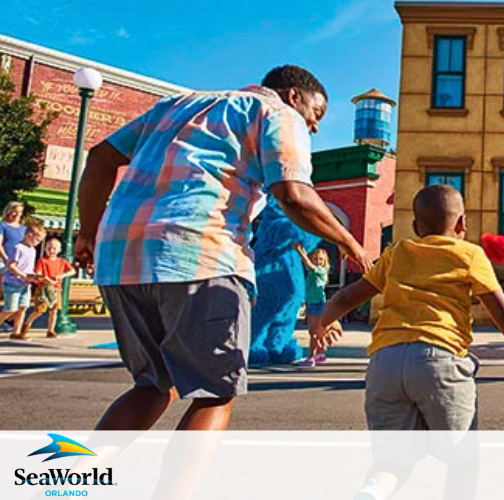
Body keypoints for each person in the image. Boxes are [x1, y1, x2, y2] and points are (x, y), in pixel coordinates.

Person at [73, 65, 372, 432]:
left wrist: (88, 232)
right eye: (316, 114)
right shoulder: (278, 112)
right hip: (202, 256)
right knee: (214, 393)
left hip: (121, 261)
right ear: (294, 96)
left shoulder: (176, 105)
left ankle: (72, 480)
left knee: (152, 386)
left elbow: (101, 157)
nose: (315, 126)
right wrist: (349, 242)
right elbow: (293, 194)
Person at [318, 185, 504, 500]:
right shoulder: (469, 254)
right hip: (439, 359)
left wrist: (322, 324)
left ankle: (372, 492)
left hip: (385, 362)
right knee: (464, 457)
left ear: (415, 227)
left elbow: (347, 296)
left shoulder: (396, 252)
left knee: (391, 461)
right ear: (462, 224)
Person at [21, 236, 76, 338]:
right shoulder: (42, 261)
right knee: (39, 310)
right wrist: (41, 277)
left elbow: (72, 271)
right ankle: (26, 325)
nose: (51, 251)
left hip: (56, 289)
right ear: (45, 249)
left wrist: (61, 276)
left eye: (54, 248)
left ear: (59, 250)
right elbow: (38, 272)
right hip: (43, 289)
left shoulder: (62, 261)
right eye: (49, 248)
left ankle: (51, 330)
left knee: (54, 311)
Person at [1, 223, 46, 340]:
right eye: (37, 239)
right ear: (29, 235)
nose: (38, 243)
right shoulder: (18, 248)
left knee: (23, 307)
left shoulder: (32, 251)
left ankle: (16, 332)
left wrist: (34, 276)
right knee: (10, 309)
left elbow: (29, 266)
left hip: (25, 284)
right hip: (12, 282)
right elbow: (11, 265)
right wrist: (22, 275)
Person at [293, 243, 332, 367]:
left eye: (321, 259)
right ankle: (320, 354)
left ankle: (311, 357)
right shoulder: (313, 272)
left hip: (317, 304)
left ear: (325, 261)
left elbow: (308, 265)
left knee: (313, 333)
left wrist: (300, 252)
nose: (318, 261)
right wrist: (303, 252)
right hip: (313, 303)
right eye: (315, 259)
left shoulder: (321, 271)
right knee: (319, 332)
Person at [0, 201, 27, 333]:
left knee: (20, 300)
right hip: (4, 263)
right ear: (8, 211)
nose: (16, 215)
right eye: (14, 211)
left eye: (20, 212)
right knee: (6, 293)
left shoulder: (23, 229)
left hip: (19, 265)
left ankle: (13, 326)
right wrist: (6, 260)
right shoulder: (3, 226)